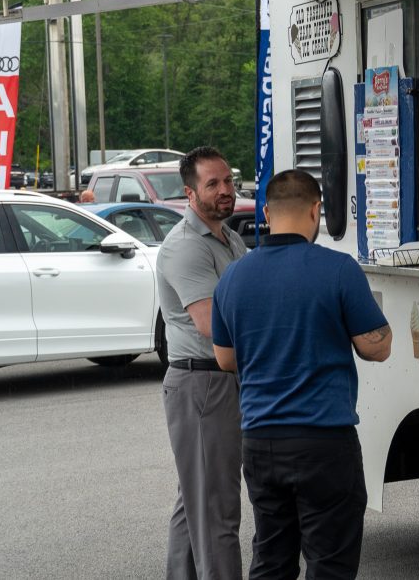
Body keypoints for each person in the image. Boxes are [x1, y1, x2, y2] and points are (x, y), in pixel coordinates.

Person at [212, 169, 392, 579]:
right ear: (316, 210)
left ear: (266, 213)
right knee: (329, 563)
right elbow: (373, 346)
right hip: (324, 442)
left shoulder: (234, 276)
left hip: (260, 442)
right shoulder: (339, 269)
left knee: (272, 559)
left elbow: (224, 358)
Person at [156, 146, 246, 580]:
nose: (225, 190)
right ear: (190, 195)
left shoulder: (230, 238)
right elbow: (213, 324)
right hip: (203, 387)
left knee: (194, 502)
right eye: (213, 184)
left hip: (218, 384)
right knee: (217, 514)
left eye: (227, 180)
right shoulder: (187, 247)